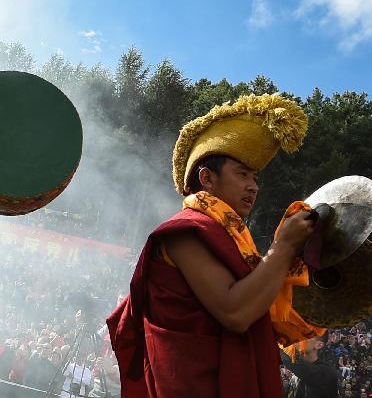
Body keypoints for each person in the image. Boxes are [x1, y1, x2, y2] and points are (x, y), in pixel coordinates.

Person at [107, 94, 325, 397]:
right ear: (207, 178)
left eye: (255, 178)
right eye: (243, 174)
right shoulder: (185, 232)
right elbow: (235, 313)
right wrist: (283, 249)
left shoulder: (234, 239)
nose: (253, 186)